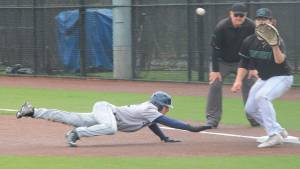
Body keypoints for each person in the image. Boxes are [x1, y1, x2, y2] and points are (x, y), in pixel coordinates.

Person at [16, 91, 212, 147]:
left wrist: (163, 138)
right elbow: (167, 122)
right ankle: (76, 133)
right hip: (107, 110)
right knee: (110, 129)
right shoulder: (150, 108)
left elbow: (153, 125)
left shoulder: (150, 113)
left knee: (70, 117)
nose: (167, 111)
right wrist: (191, 128)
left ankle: (32, 111)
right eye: (167, 107)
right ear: (160, 104)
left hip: (106, 115)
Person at [231, 8, 293, 148]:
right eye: (259, 19)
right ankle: (278, 129)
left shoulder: (277, 40)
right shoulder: (249, 40)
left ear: (271, 22)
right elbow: (244, 62)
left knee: (262, 97)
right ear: (255, 21)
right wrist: (238, 80)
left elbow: (279, 61)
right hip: (265, 78)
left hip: (282, 77)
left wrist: (274, 46)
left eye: (264, 19)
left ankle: (273, 135)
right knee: (250, 109)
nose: (261, 22)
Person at [206, 2, 259, 128]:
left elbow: (253, 47)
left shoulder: (251, 26)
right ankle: (213, 119)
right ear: (230, 14)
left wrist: (252, 67)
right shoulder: (221, 27)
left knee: (250, 84)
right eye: (236, 15)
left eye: (241, 15)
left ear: (245, 15)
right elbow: (215, 48)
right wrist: (215, 70)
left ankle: (254, 117)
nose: (238, 18)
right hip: (222, 61)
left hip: (242, 62)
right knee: (215, 84)